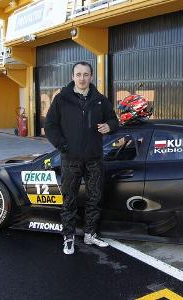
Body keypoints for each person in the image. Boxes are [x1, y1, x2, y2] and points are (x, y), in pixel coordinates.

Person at [45, 61, 119, 255]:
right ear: (73, 77)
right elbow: (50, 126)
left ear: (91, 77)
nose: (82, 78)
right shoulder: (62, 99)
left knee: (95, 198)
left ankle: (90, 234)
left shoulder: (100, 100)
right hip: (71, 159)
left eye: (86, 74)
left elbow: (114, 120)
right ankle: (68, 237)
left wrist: (109, 126)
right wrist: (63, 146)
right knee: (69, 199)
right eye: (79, 74)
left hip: (94, 159)